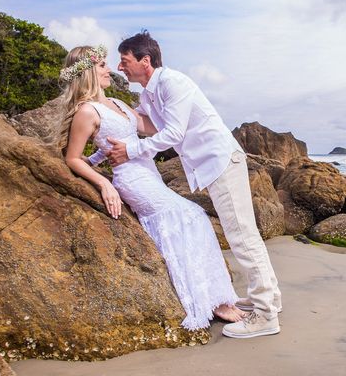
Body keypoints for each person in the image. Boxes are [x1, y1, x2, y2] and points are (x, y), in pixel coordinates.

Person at [106, 31, 282, 338]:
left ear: (145, 60)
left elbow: (172, 133)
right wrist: (117, 112)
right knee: (244, 234)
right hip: (212, 166)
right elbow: (149, 125)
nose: (120, 67)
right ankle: (268, 300)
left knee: (242, 237)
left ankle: (265, 315)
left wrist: (131, 150)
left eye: (125, 61)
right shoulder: (148, 93)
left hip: (221, 162)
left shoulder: (173, 83)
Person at [57, 44, 245, 331]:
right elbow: (72, 158)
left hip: (150, 174)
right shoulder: (86, 111)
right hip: (132, 179)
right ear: (87, 74)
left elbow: (152, 129)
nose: (109, 70)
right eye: (102, 66)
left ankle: (216, 296)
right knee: (192, 216)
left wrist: (181, 108)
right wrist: (104, 183)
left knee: (194, 217)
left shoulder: (118, 105)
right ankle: (209, 300)